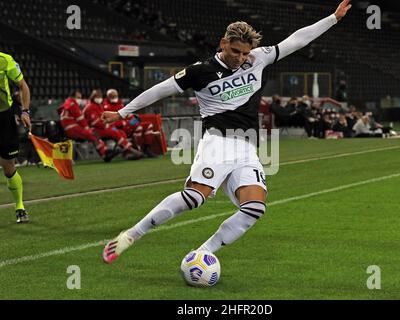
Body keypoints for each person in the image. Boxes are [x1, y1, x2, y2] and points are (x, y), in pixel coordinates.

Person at [101, 0, 352, 264]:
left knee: (254, 208)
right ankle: (131, 235)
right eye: (235, 51)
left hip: (247, 148)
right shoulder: (200, 71)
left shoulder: (259, 57)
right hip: (217, 142)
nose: (241, 58)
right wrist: (122, 112)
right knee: (194, 198)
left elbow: (296, 40)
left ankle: (203, 253)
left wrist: (332, 19)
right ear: (223, 43)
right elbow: (160, 89)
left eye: (245, 53)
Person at [0, 52, 31, 223]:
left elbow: (23, 86)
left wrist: (25, 111)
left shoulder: (5, 60)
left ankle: (20, 206)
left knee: (8, 166)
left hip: (4, 118)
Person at [83, 89, 143, 160]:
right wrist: (111, 124)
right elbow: (96, 122)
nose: (99, 98)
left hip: (108, 127)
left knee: (122, 132)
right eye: (97, 96)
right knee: (115, 131)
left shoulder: (99, 106)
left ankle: (128, 152)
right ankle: (132, 151)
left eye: (100, 96)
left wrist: (130, 120)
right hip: (96, 129)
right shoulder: (92, 106)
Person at [58, 90, 110, 161]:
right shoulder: (72, 104)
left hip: (70, 128)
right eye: (78, 97)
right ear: (73, 97)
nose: (80, 99)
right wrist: (87, 128)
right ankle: (105, 153)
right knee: (92, 134)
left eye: (80, 97)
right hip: (72, 128)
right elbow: (80, 119)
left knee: (93, 133)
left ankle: (105, 152)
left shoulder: (67, 103)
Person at [104, 89, 158, 157]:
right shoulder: (105, 107)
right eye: (112, 96)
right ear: (108, 97)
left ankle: (147, 149)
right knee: (139, 128)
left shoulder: (120, 104)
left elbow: (127, 115)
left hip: (128, 125)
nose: (114, 97)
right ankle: (138, 150)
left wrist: (133, 118)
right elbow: (109, 122)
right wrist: (124, 122)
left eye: (115, 95)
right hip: (120, 128)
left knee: (148, 125)